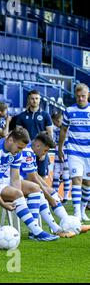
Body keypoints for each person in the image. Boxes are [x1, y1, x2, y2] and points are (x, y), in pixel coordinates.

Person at [0, 127, 59, 241]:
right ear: (10, 140)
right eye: (19, 147)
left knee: (35, 188)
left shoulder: (16, 152)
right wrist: (3, 202)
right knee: (17, 194)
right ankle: (37, 232)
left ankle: (33, 231)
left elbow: (15, 178)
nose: (20, 151)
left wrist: (19, 197)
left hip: (1, 182)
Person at [19, 131, 90, 234]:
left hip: (22, 183)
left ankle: (69, 224)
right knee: (42, 192)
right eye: (45, 150)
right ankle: (58, 228)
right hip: (16, 184)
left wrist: (50, 191)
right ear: (38, 145)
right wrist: (49, 197)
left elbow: (35, 175)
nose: (45, 153)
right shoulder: (27, 152)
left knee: (49, 191)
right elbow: (33, 178)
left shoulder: (30, 151)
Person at [58, 83, 90, 222]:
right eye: (78, 97)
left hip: (88, 152)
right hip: (74, 151)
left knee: (87, 183)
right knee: (76, 179)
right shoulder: (69, 111)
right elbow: (63, 130)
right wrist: (60, 148)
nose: (80, 99)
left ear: (88, 95)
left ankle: (83, 210)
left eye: (83, 96)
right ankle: (77, 213)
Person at [16, 90, 53, 179]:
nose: (34, 100)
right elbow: (18, 134)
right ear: (28, 100)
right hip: (26, 150)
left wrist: (45, 153)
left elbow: (50, 135)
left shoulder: (45, 115)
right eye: (32, 98)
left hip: (41, 151)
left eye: (36, 98)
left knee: (42, 176)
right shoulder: (21, 116)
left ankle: (41, 193)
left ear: (40, 100)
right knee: (25, 176)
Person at [51, 111, 71, 203]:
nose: (56, 123)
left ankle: (66, 197)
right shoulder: (55, 131)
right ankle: (55, 196)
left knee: (66, 175)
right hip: (57, 154)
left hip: (66, 154)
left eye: (59, 121)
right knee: (56, 175)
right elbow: (53, 143)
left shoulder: (68, 130)